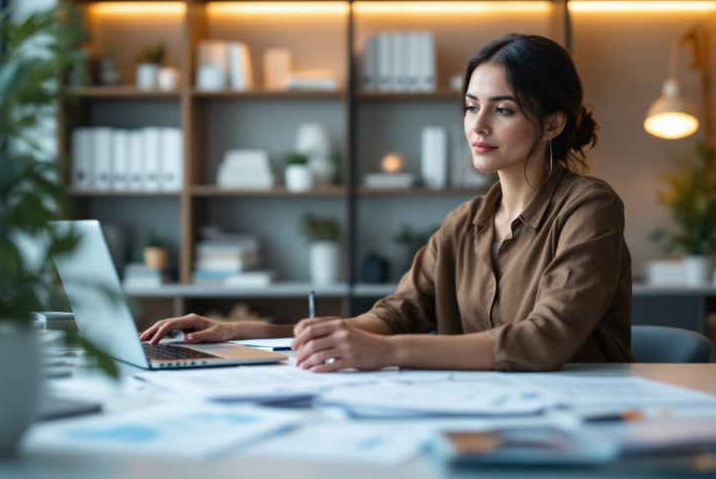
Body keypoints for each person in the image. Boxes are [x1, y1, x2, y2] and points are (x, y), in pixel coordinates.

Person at [140, 34, 633, 373]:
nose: (477, 126)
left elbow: (545, 338)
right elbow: (389, 317)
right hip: (489, 413)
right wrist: (240, 332)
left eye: (502, 110)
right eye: (471, 106)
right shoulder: (464, 224)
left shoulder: (589, 207)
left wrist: (385, 351)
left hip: (583, 416)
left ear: (553, 123)